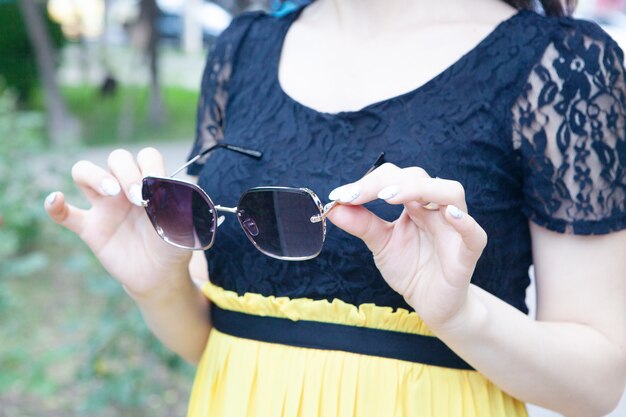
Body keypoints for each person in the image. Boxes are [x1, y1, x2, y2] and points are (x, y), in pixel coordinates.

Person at [45, 0, 626, 415]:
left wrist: (461, 316)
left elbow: (596, 383)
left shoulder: (563, 65)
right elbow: (212, 339)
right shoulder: (241, 49)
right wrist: (157, 286)